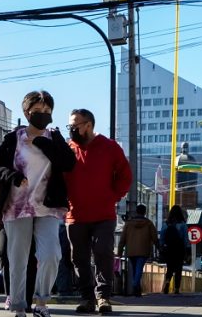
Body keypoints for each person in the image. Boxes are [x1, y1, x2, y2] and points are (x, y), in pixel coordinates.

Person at [0, 90, 76, 317]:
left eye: (47, 110)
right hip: (17, 206)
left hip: (48, 206)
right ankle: (19, 306)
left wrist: (40, 141)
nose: (43, 114)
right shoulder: (13, 139)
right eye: (38, 110)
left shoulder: (54, 137)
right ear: (27, 113)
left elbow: (68, 162)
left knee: (51, 254)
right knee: (18, 258)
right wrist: (13, 176)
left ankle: (41, 301)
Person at [63, 108, 132, 314]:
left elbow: (125, 176)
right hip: (75, 215)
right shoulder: (67, 149)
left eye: (75, 125)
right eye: (69, 125)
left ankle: (103, 297)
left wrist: (113, 197)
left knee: (103, 253)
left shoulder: (109, 147)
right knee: (79, 258)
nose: (71, 129)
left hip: (104, 215)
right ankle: (87, 298)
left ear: (88, 125)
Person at [117, 204, 158, 297]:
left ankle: (137, 289)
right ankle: (135, 284)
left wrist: (119, 252)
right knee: (139, 269)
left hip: (131, 250)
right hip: (144, 249)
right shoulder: (149, 223)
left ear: (136, 212)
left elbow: (122, 239)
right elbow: (155, 237)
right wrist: (158, 247)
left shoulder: (128, 224)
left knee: (135, 269)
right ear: (145, 212)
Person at [160, 205, 188, 294]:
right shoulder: (183, 224)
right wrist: (186, 250)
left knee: (170, 267)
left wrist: (162, 246)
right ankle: (176, 288)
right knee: (178, 269)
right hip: (179, 249)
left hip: (169, 249)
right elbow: (185, 239)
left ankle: (167, 281)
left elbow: (162, 237)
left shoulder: (166, 224)